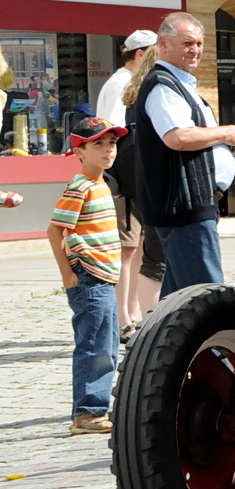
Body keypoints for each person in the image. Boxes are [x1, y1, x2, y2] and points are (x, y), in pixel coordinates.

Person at [132, 13, 235, 292]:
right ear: (164, 44)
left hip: (194, 203)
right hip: (184, 207)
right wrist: (226, 133)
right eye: (188, 43)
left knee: (180, 299)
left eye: (200, 44)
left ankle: (166, 336)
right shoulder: (163, 85)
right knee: (206, 296)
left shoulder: (181, 85)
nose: (196, 50)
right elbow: (177, 137)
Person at [48, 116, 127, 434]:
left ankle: (96, 407)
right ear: (79, 151)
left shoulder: (100, 184)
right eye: (98, 144)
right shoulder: (80, 185)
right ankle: (87, 413)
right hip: (88, 277)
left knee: (108, 345)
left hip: (103, 278)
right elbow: (55, 232)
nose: (108, 149)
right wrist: (67, 274)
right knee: (94, 345)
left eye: (112, 143)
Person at [95, 30, 157, 334]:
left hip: (133, 179)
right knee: (126, 249)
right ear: (141, 54)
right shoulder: (122, 83)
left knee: (138, 249)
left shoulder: (131, 82)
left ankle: (131, 312)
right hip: (124, 181)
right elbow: (111, 135)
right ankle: (122, 319)